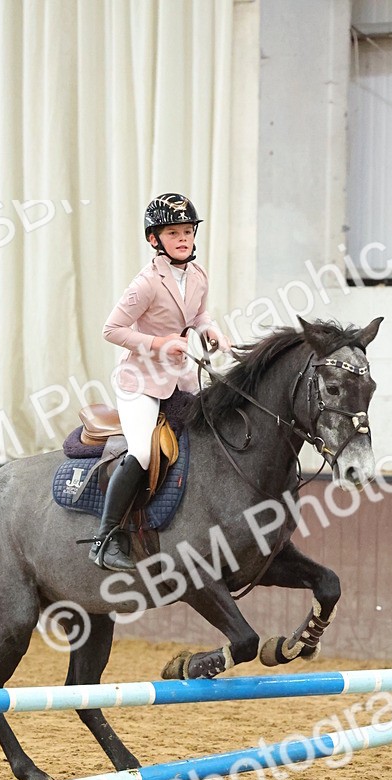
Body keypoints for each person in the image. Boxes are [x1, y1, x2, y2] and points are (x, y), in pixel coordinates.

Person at [91, 193, 230, 571]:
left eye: (188, 231)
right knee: (143, 452)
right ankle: (106, 537)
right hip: (140, 381)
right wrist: (157, 343)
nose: (183, 238)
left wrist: (211, 329)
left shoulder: (198, 275)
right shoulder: (145, 284)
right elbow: (111, 329)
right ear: (155, 239)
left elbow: (199, 313)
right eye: (174, 233)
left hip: (181, 375)